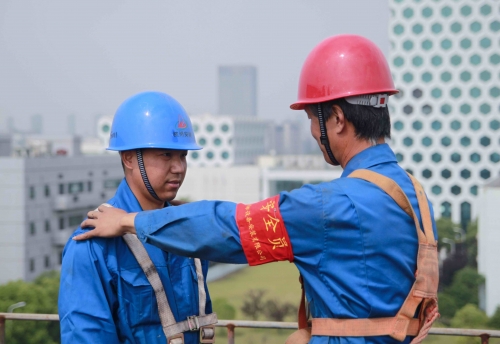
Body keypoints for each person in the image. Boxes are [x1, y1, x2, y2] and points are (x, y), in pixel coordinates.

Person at [75, 35, 439, 344]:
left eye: (313, 119)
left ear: (338, 120)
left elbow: (229, 227)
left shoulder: (330, 207)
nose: (313, 132)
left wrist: (131, 222)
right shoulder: (413, 195)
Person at [59, 91, 216, 344]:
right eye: (166, 155)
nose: (178, 167)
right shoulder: (92, 245)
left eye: (183, 156)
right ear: (129, 158)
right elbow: (87, 336)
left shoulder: (184, 229)